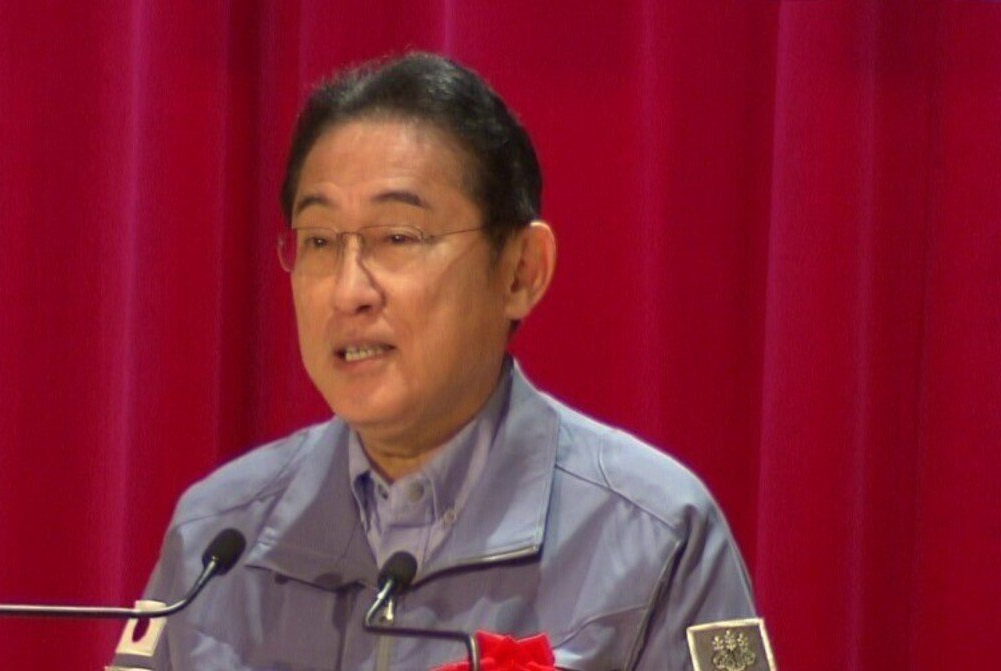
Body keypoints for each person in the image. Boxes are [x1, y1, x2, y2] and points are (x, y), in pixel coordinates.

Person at [110, 52, 758, 671]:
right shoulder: (216, 538)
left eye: (398, 237)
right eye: (320, 241)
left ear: (521, 271)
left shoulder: (656, 534)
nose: (348, 291)